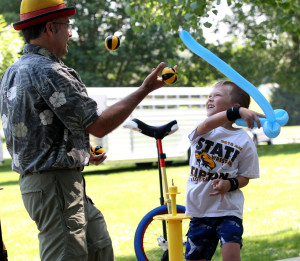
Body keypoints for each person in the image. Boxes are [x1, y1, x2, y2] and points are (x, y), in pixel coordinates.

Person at [0, 0, 172, 260]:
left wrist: (80, 149)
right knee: (67, 255)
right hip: (54, 184)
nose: (70, 32)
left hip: (49, 182)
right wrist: (144, 89)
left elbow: (35, 129)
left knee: (98, 246)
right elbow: (99, 123)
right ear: (50, 28)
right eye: (67, 26)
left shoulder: (14, 70)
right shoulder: (49, 70)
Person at [185, 80, 264, 261]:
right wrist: (236, 113)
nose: (210, 99)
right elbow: (207, 124)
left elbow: (245, 176)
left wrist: (230, 184)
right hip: (199, 212)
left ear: (235, 106)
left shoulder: (244, 140)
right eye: (209, 96)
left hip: (228, 211)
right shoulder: (204, 129)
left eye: (217, 96)